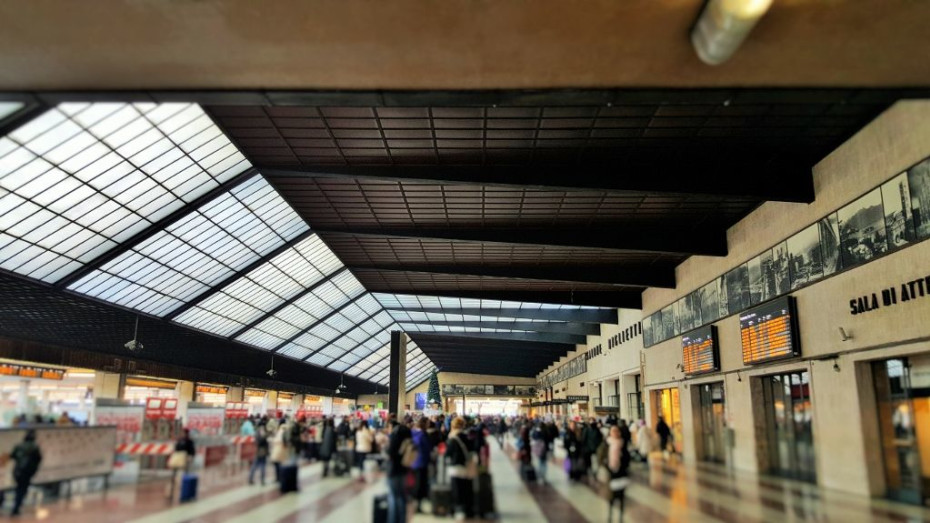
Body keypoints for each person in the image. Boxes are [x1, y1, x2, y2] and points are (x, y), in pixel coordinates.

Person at [445, 417, 474, 521]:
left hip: (455, 466)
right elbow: (472, 449)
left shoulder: (452, 438)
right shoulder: (466, 436)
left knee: (456, 489)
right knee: (465, 489)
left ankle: (456, 510)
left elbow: (447, 453)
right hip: (466, 466)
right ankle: (467, 510)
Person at [9, 430, 42, 516]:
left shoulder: (19, 446)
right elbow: (38, 459)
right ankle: (16, 507)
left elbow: (12, 456)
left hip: (17, 471)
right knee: (22, 490)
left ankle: (16, 506)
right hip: (27, 472)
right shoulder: (35, 447)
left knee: (19, 488)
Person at [386, 419, 413, 523]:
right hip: (404, 468)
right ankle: (402, 520)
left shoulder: (395, 435)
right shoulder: (407, 433)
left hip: (394, 470)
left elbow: (391, 453)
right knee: (402, 497)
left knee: (393, 498)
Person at [606, 425, 631, 523]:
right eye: (613, 431)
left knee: (621, 497)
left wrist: (623, 461)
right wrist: (606, 466)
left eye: (616, 431)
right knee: (611, 497)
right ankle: (610, 516)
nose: (615, 433)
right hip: (611, 474)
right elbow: (601, 455)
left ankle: (621, 517)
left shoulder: (623, 444)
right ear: (610, 433)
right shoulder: (607, 443)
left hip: (621, 474)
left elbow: (627, 458)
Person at [411, 417, 432, 512]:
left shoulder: (413, 433)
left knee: (416, 483)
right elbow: (427, 448)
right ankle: (418, 504)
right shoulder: (423, 435)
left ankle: (415, 502)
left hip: (414, 461)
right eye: (427, 423)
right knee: (421, 484)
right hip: (422, 462)